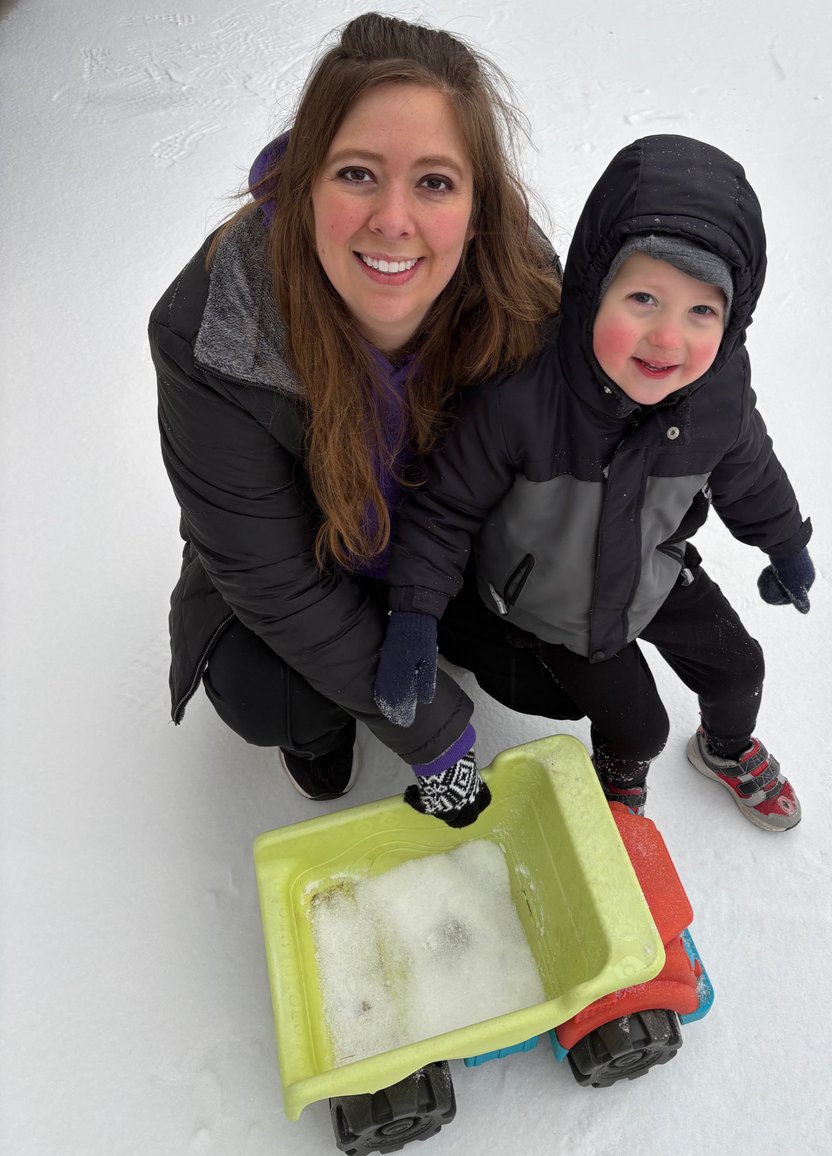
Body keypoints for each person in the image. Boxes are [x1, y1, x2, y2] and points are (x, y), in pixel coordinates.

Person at [148, 13, 567, 828]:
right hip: (313, 558)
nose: (393, 221)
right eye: (356, 174)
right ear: (305, 180)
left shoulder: (519, 280)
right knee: (267, 691)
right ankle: (323, 717)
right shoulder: (212, 328)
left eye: (434, 182)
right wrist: (435, 733)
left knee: (562, 657)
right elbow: (266, 572)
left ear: (478, 204)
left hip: (444, 547)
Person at [374, 133, 815, 831]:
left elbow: (750, 469)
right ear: (592, 289)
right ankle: (620, 778)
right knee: (637, 726)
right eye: (643, 297)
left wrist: (785, 545)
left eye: (701, 311)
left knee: (738, 667)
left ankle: (724, 749)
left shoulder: (717, 389)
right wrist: (414, 617)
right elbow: (444, 510)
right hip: (554, 604)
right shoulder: (523, 394)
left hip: (649, 568)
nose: (667, 339)